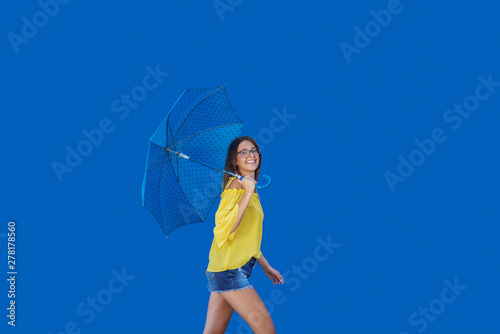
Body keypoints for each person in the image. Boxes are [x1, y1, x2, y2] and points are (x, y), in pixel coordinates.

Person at [203, 136, 283, 334]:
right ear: (235, 161)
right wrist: (246, 194)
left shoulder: (249, 189)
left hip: (223, 270)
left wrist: (266, 266)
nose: (251, 155)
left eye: (254, 150)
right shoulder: (236, 189)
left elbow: (246, 238)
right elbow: (224, 229)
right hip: (230, 272)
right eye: (244, 152)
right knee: (266, 330)